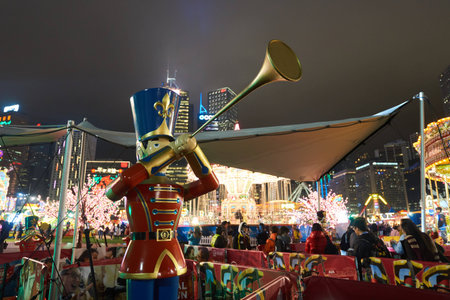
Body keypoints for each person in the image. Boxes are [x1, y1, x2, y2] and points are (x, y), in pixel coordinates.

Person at [105, 87, 219, 300]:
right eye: (157, 146)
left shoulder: (177, 189)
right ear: (142, 151)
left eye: (169, 148)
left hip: (171, 252)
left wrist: (195, 152)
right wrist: (169, 153)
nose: (168, 153)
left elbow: (211, 184)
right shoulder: (133, 184)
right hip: (141, 253)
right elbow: (112, 192)